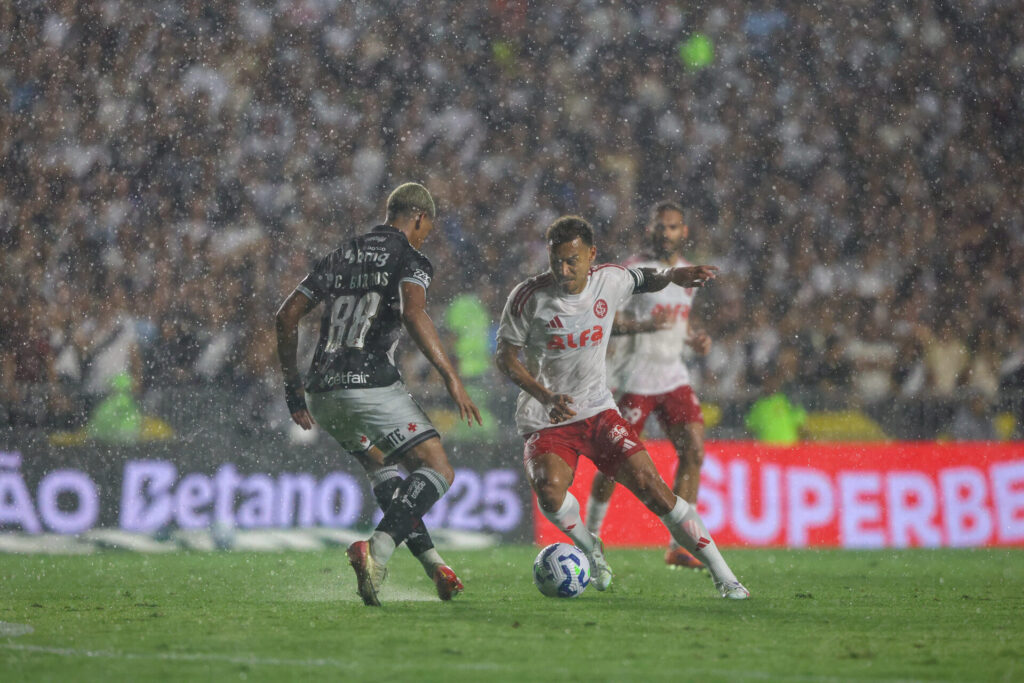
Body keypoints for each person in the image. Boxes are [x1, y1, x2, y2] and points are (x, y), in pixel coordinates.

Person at [495, 215, 749, 599]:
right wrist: (545, 395)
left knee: (655, 490)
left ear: (591, 255)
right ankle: (589, 546)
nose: (563, 270)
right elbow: (505, 357)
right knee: (549, 493)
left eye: (572, 261)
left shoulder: (610, 279)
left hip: (597, 409)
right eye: (556, 261)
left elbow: (644, 277)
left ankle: (725, 577)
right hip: (547, 416)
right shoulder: (528, 297)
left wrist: (674, 277)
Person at [275, 183, 483, 606]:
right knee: (438, 470)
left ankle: (434, 565)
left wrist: (293, 391)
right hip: (368, 382)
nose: (426, 236)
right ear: (420, 219)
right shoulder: (410, 256)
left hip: (322, 391)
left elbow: (286, 316)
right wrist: (450, 375)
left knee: (385, 470)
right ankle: (379, 550)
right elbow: (413, 311)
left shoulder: (341, 253)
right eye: (427, 228)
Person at [584, 201, 713, 570]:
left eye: (673, 227)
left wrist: (694, 339)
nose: (666, 233)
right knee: (611, 464)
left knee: (694, 454)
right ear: (650, 230)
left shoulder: (689, 273)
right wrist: (641, 327)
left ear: (683, 232)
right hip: (633, 377)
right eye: (661, 227)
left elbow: (679, 322)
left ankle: (680, 545)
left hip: (672, 375)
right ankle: (590, 538)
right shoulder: (631, 272)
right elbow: (606, 318)